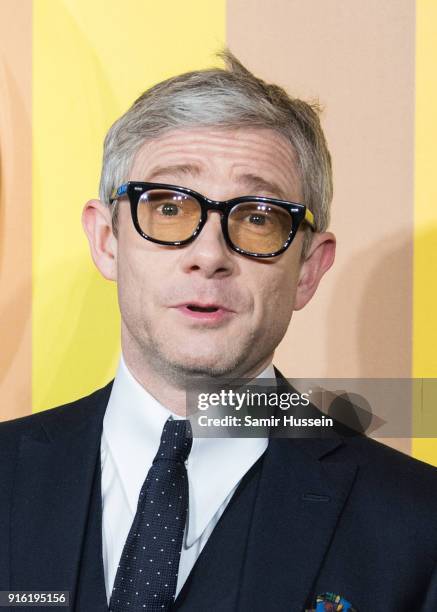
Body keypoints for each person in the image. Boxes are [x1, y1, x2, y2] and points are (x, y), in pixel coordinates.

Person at [1, 51, 437, 612]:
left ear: (308, 269)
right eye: (169, 208)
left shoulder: (418, 525)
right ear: (107, 240)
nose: (209, 255)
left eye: (257, 216)